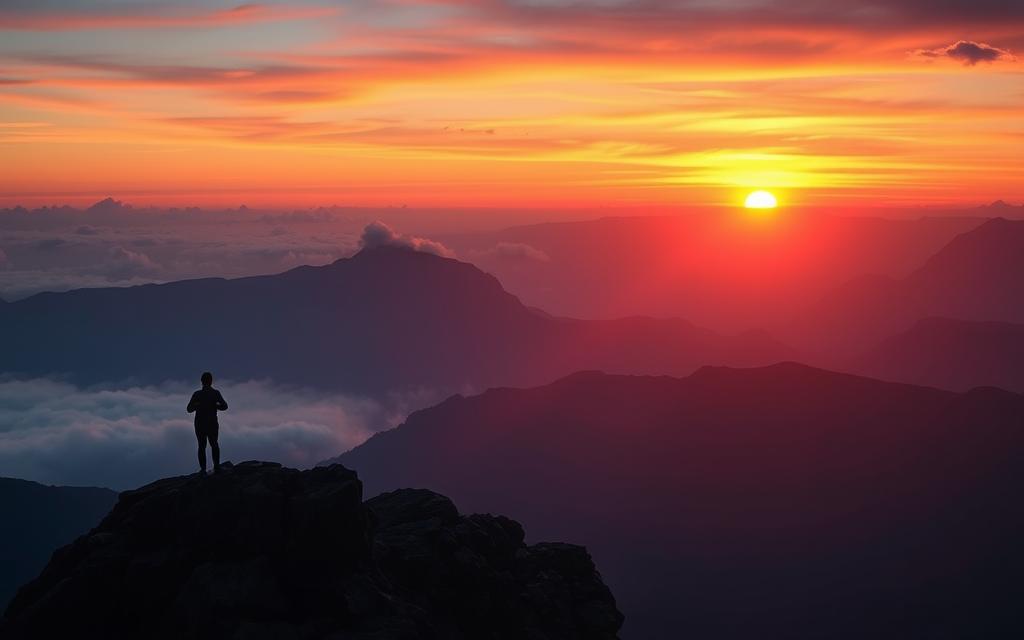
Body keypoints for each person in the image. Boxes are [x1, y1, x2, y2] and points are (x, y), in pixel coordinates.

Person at [186, 371, 228, 475]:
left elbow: (189, 409)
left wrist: (198, 405)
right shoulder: (215, 393)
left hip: (200, 424)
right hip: (212, 423)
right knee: (214, 444)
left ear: (201, 381)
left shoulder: (197, 394)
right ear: (211, 381)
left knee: (201, 446)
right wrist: (215, 405)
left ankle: (203, 469)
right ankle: (216, 467)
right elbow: (225, 406)